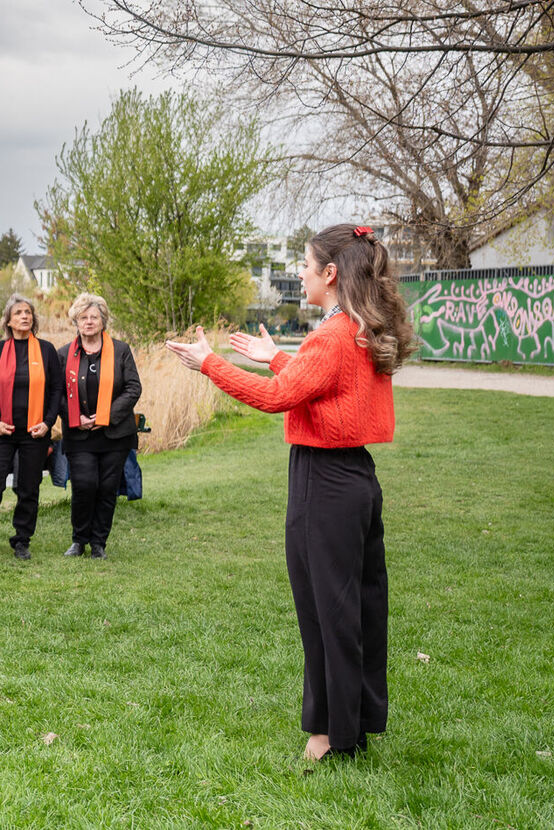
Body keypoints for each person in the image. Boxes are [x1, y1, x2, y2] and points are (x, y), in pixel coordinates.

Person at [167, 223, 412, 761]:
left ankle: (330, 736)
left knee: (327, 612)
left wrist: (211, 363)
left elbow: (281, 397)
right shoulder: (356, 327)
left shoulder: (331, 334)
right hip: (355, 478)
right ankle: (355, 724)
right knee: (358, 606)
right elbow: (325, 388)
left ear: (329, 272)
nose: (299, 272)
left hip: (324, 482)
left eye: (304, 264)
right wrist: (274, 355)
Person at [0, 295, 65, 561]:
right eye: (18, 313)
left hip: (35, 432)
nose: (24, 316)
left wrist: (48, 423)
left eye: (28, 312)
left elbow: (56, 389)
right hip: (2, 430)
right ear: (8, 321)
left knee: (28, 488)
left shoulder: (47, 350)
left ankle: (22, 540)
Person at [58, 293, 140, 560]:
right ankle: (79, 540)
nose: (89, 322)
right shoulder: (63, 355)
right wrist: (75, 417)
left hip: (114, 434)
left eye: (94, 317)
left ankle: (99, 543)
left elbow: (133, 388)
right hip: (79, 434)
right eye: (84, 317)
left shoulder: (121, 351)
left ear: (103, 321)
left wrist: (106, 415)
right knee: (84, 485)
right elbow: (54, 393)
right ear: (76, 322)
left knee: (107, 488)